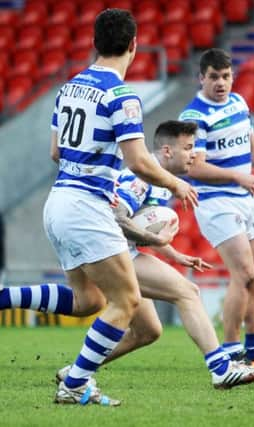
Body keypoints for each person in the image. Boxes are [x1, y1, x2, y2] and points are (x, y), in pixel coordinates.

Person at [42, 9, 198, 406]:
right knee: (126, 302)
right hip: (86, 207)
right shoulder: (122, 97)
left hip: (58, 202)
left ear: (95, 43)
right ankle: (75, 383)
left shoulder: (69, 88)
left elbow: (56, 152)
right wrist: (177, 182)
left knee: (88, 302)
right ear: (133, 45)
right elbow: (139, 162)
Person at [41, 121, 254, 388]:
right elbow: (118, 219)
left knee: (147, 331)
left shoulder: (159, 179)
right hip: (111, 249)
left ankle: (74, 371)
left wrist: (175, 255)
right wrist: (152, 238)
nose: (194, 154)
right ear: (168, 151)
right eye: (189, 148)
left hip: (113, 246)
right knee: (187, 292)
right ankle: (221, 368)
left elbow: (140, 224)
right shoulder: (141, 178)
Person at [179, 48, 254, 371]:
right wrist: (238, 176)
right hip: (216, 202)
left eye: (226, 76)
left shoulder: (240, 103)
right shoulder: (194, 116)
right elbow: (194, 168)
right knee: (244, 273)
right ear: (201, 78)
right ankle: (230, 352)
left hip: (245, 198)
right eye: (213, 77)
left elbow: (252, 145)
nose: (221, 83)